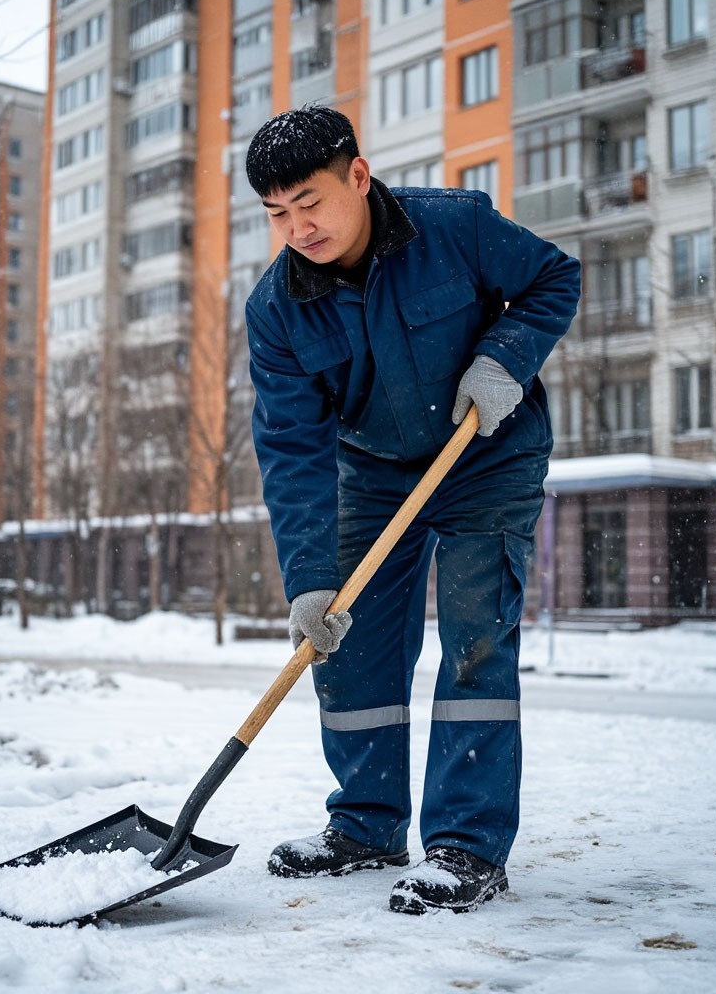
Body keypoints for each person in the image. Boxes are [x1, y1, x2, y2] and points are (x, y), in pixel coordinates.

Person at [242, 106, 580, 914]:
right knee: (347, 645)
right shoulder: (277, 310)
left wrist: (505, 358)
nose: (298, 228)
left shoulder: (453, 227)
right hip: (373, 474)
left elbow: (553, 277)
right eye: (277, 214)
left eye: (311, 202)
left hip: (484, 455)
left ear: (358, 176)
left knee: (473, 643)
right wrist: (312, 579)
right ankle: (366, 825)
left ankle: (466, 847)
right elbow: (291, 450)